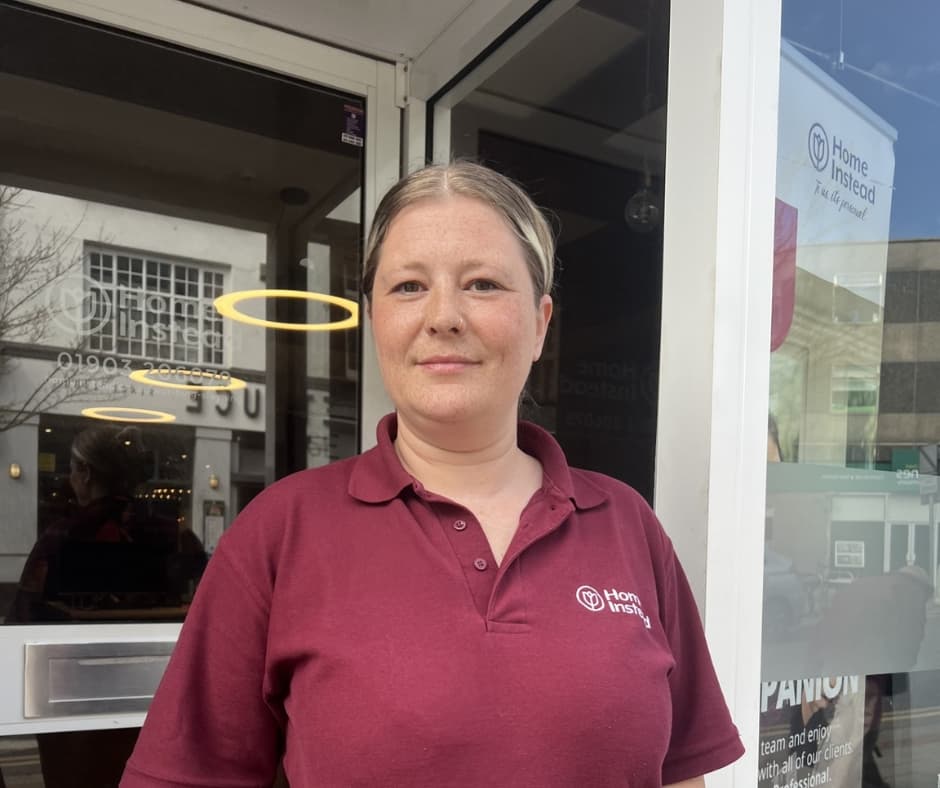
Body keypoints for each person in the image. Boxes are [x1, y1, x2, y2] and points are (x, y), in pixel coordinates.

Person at [121, 162, 744, 787]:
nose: (443, 316)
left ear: (539, 324)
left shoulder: (627, 524)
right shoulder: (281, 533)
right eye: (409, 287)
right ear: (375, 321)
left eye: (482, 284)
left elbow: (684, 773)